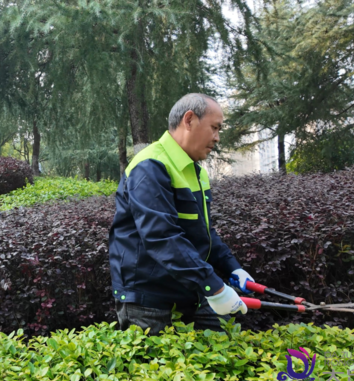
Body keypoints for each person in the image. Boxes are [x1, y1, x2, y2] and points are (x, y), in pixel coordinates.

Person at [109, 93, 255, 334]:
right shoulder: (150, 166)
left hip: (190, 290)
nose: (217, 138)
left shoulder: (196, 171)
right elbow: (162, 237)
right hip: (149, 302)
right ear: (189, 120)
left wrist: (232, 268)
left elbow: (204, 232)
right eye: (214, 128)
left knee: (224, 349)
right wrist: (214, 287)